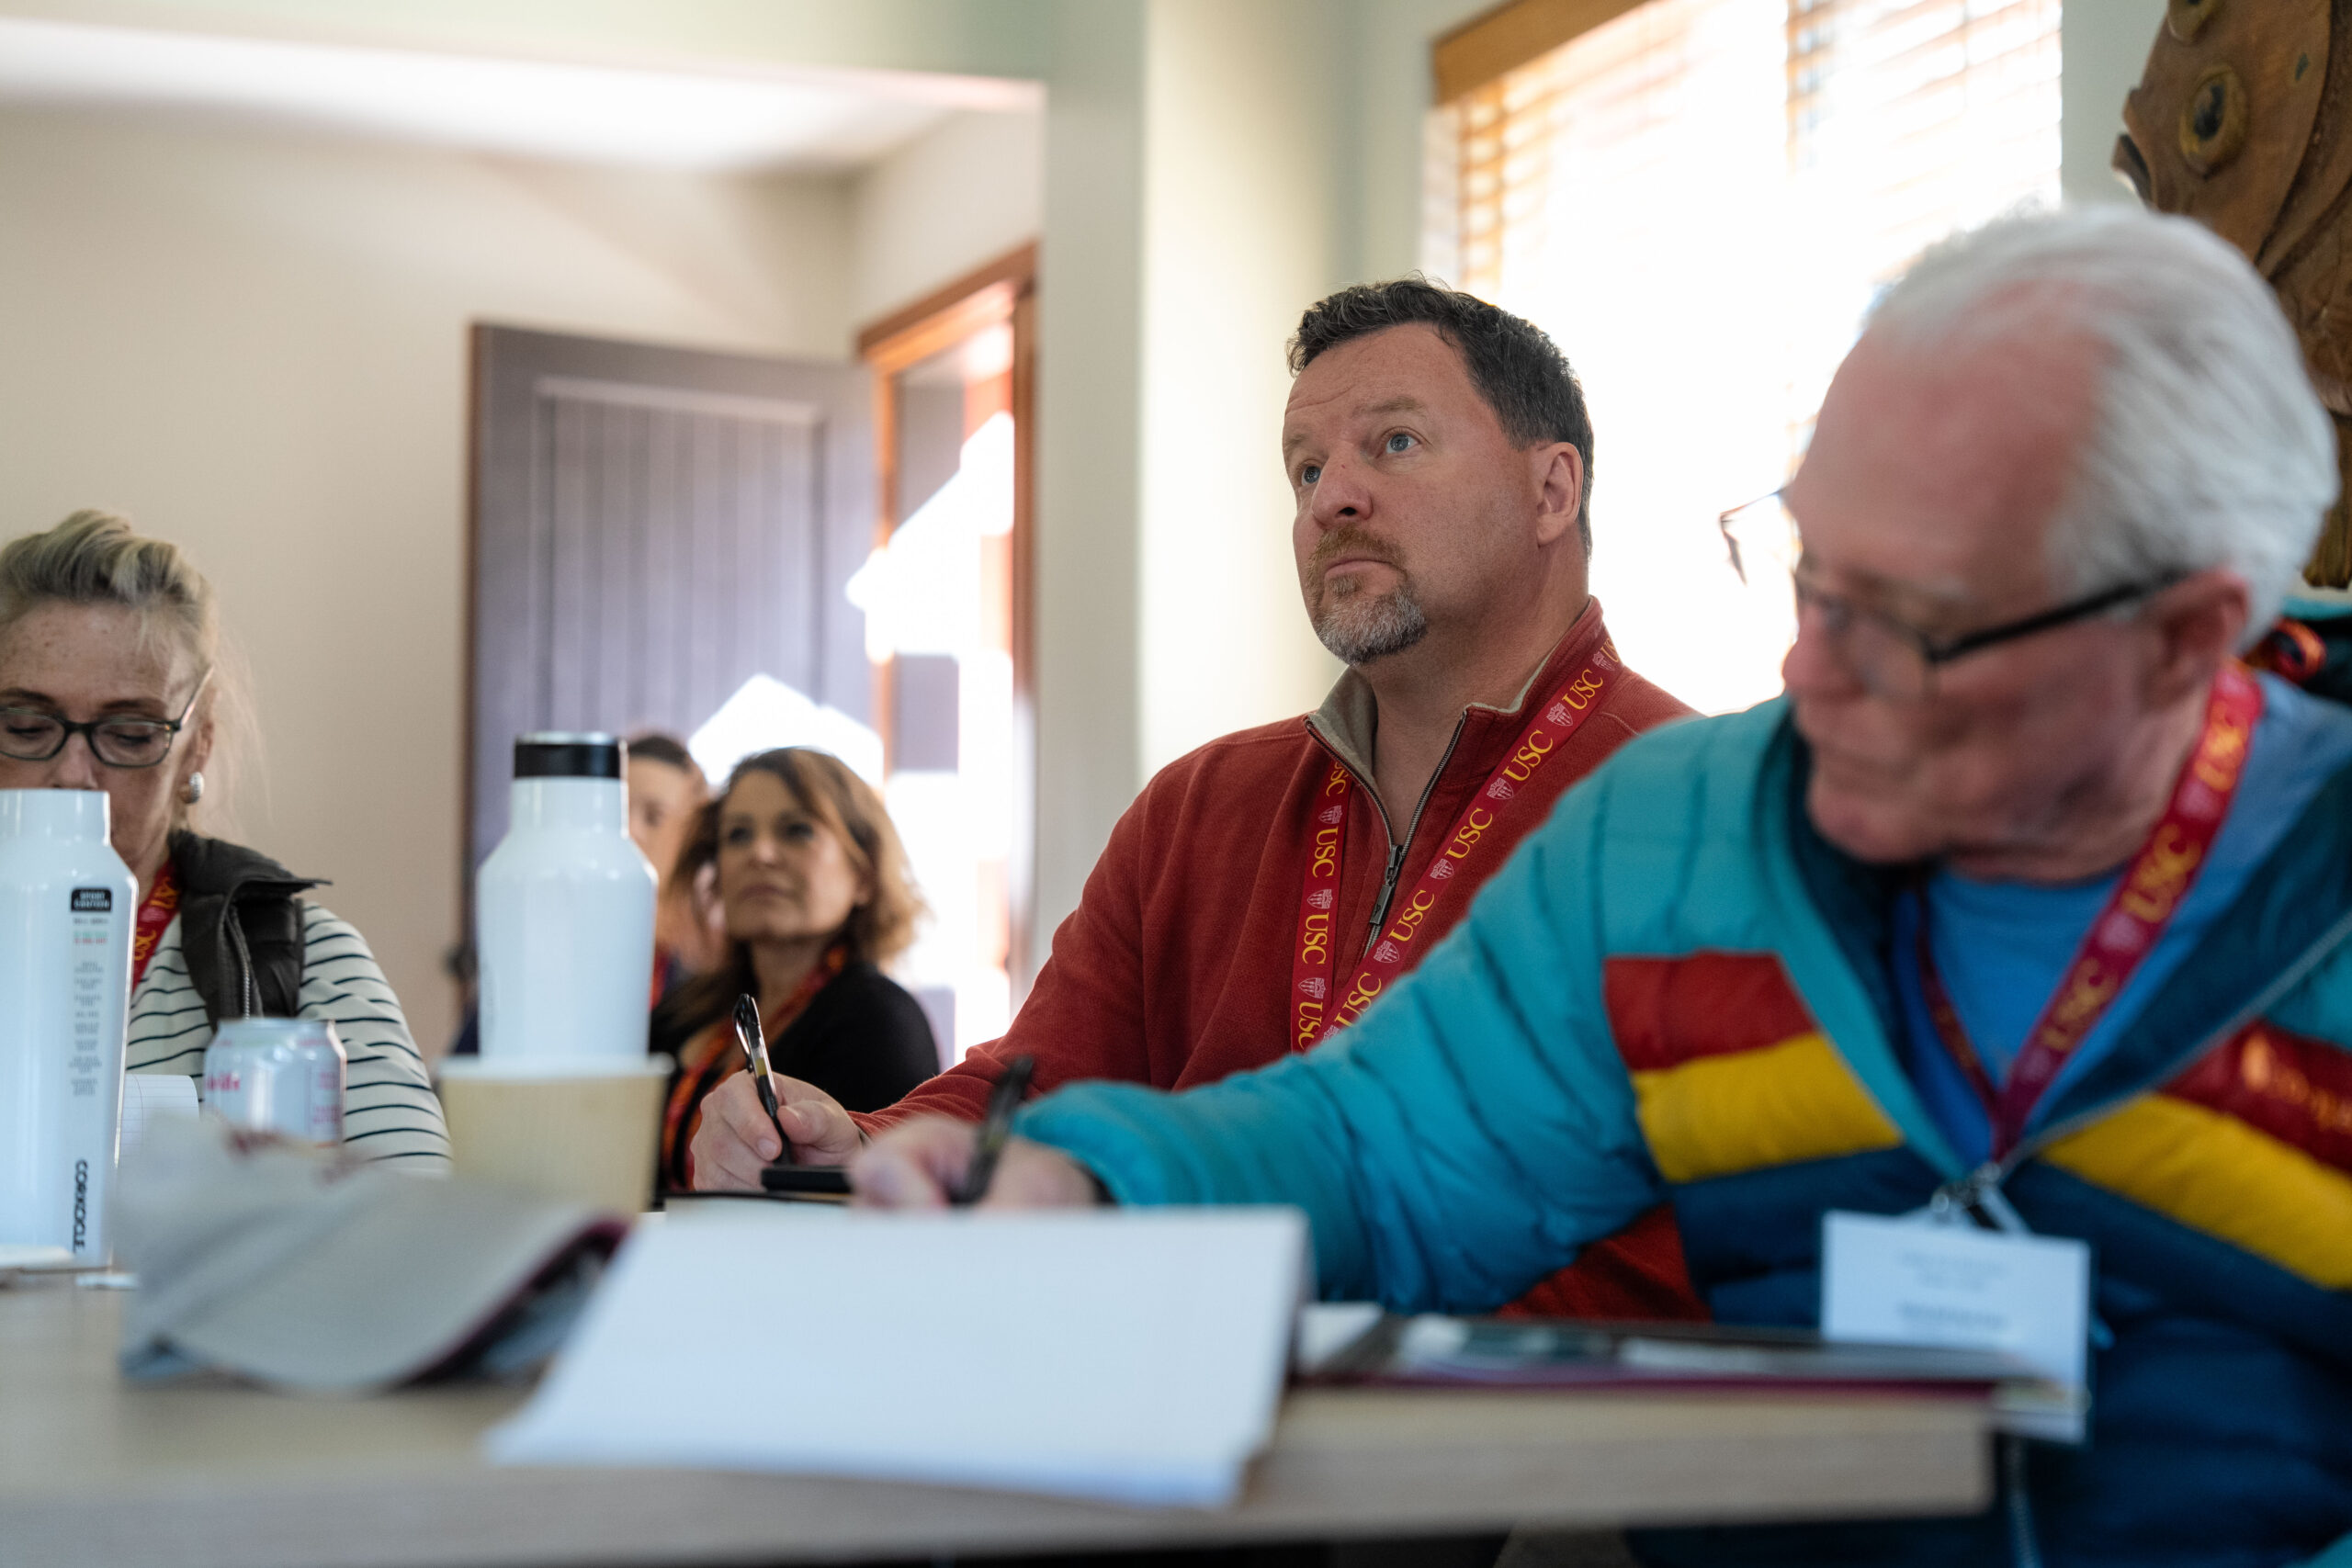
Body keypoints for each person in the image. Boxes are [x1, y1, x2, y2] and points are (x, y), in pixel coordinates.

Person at [849, 209, 2352, 1565]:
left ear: (2184, 640)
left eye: (1899, 626)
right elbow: (1383, 1152)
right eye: (1807, 570)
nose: (1799, 669)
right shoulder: (1677, 840)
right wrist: (1094, 1180)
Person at [690, 279, 1702, 1318]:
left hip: (1522, 1430)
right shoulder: (1200, 806)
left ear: (1551, 491)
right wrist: (853, 1139)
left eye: (1393, 444)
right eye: (1305, 468)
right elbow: (1035, 1088)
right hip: (1170, 1388)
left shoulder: (1689, 808)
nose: (1328, 500)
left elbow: (1702, 1239)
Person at [0, 513, 449, 1168]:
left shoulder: (302, 960)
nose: (74, 773)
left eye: (129, 733)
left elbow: (414, 1232)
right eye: (26, 723)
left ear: (196, 746)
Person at [650, 747, 936, 1190]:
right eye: (738, 835)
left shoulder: (880, 1021)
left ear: (863, 874)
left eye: (797, 831)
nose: (760, 854)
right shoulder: (682, 1012)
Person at [624, 731, 723, 998]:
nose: (630, 831)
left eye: (655, 817)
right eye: (616, 813)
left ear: (695, 833)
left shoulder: (717, 955)